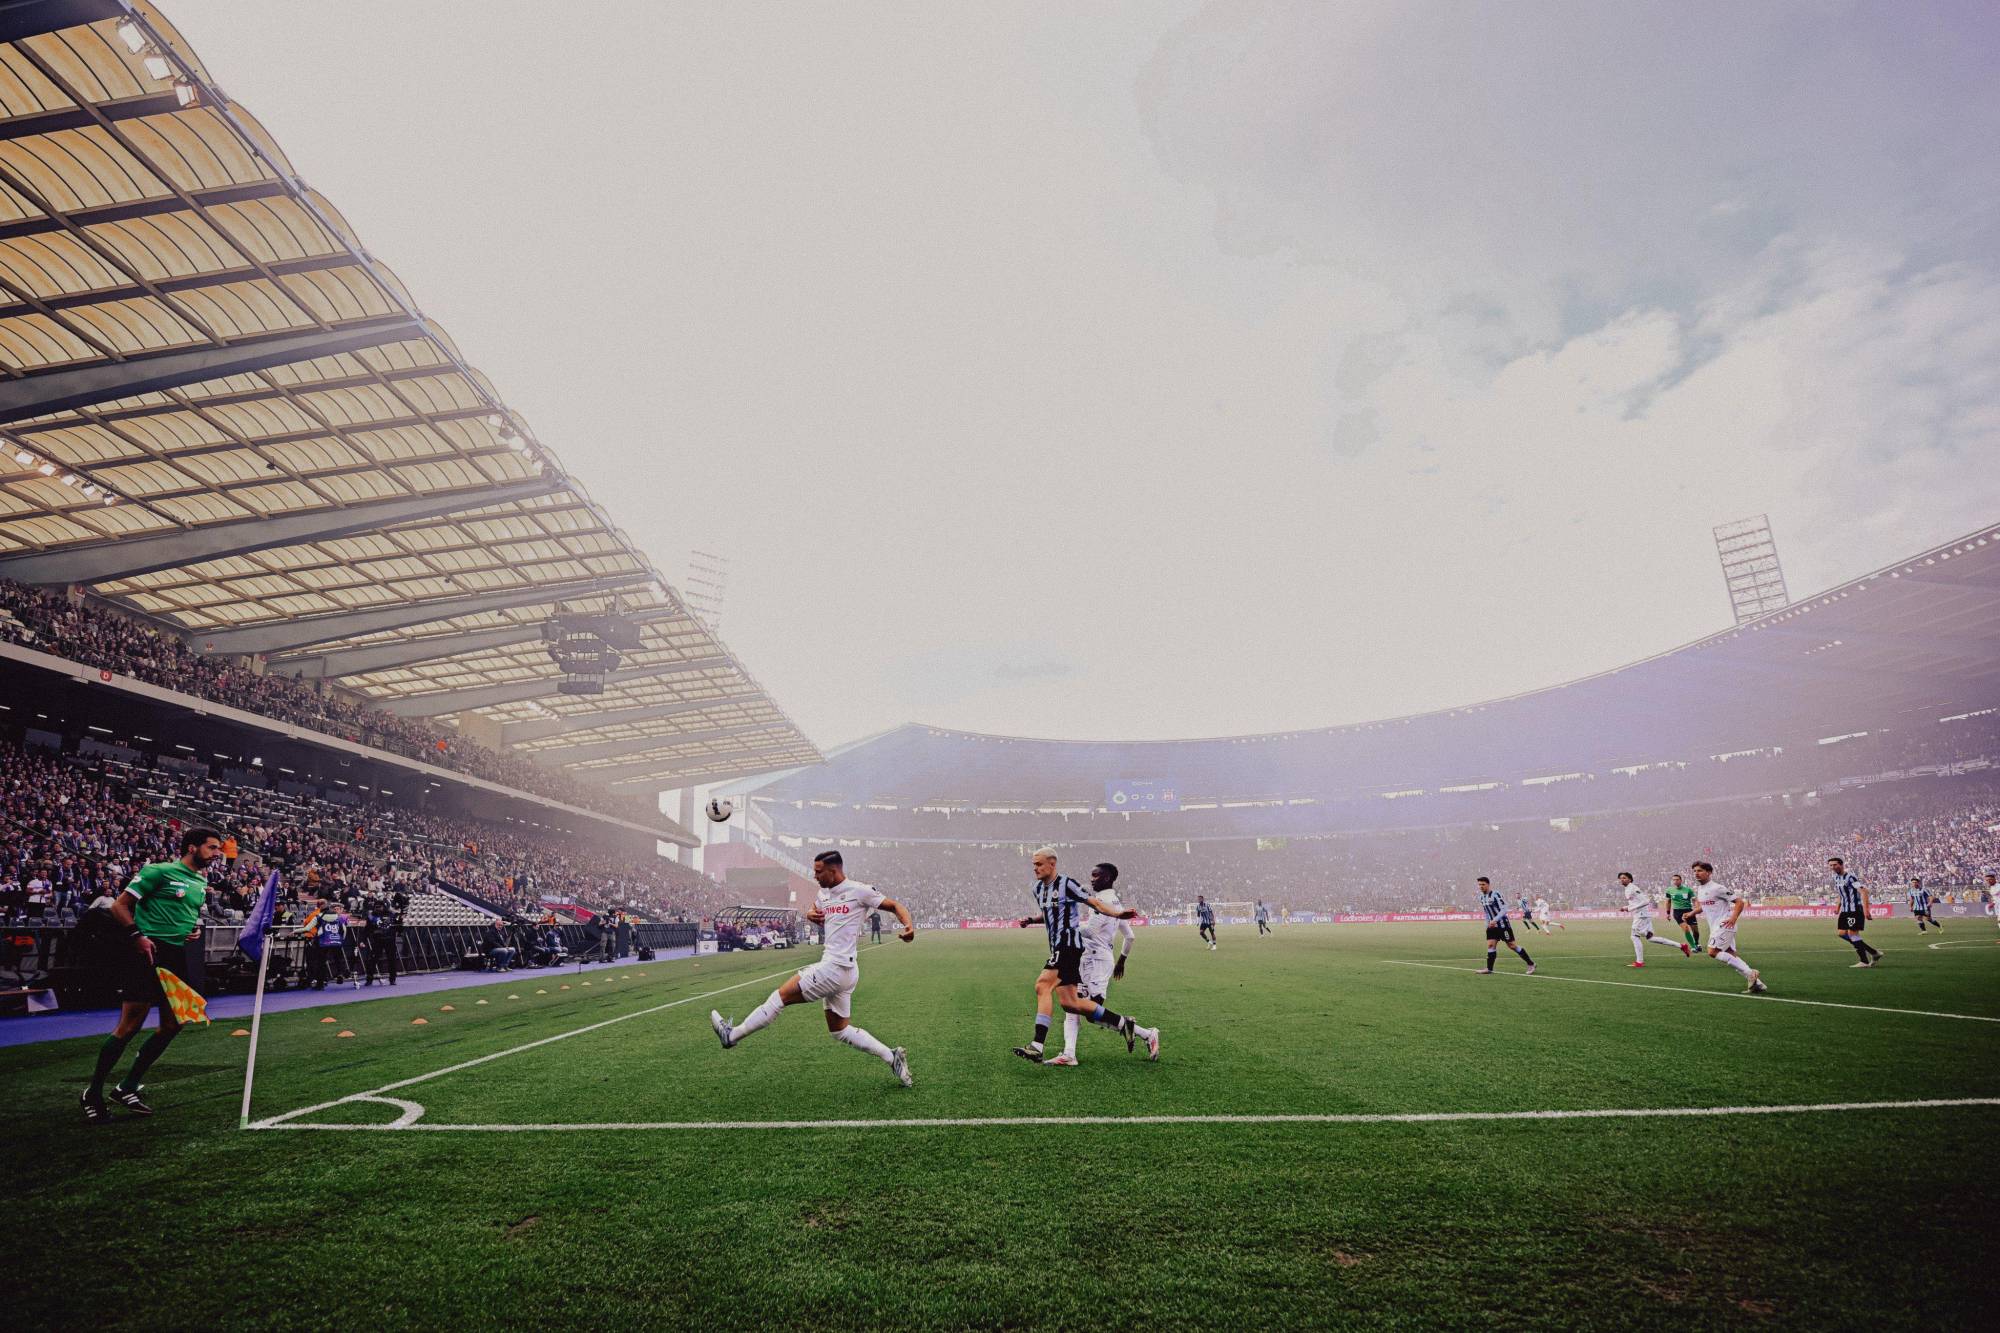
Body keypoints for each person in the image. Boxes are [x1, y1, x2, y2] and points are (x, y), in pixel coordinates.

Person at [710, 851, 914, 1087]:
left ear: (833, 870)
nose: (815, 875)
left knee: (779, 997)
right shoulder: (824, 893)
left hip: (835, 968)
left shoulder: (859, 891)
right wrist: (809, 913)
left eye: (819, 871)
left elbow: (895, 905)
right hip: (843, 971)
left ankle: (731, 1036)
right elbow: (814, 908)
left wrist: (908, 926)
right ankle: (892, 1057)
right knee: (839, 1031)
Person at [80, 828, 220, 1123]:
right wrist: (137, 936)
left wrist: (189, 930)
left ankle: (127, 1086)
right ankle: (93, 1092)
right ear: (192, 848)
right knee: (130, 1026)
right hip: (146, 953)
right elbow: (120, 906)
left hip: (175, 955)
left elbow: (180, 913)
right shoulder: (159, 871)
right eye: (212, 847)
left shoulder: (200, 881)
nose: (217, 853)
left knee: (174, 1023)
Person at [1014, 848, 1158, 1062]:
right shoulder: (1037, 889)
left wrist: (1118, 914)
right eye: (1033, 864)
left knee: (1042, 985)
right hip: (1064, 949)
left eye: (1039, 864)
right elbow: (1050, 914)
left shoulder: (1067, 884)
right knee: (1072, 1004)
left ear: (1052, 864)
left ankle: (1037, 1045)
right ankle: (1129, 1027)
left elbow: (1095, 904)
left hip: (1070, 947)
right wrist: (1032, 920)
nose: (1035, 868)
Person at [1048, 864, 1144, 1067]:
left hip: (1097, 961)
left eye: (1096, 875)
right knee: (1073, 1005)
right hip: (1089, 958)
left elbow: (1090, 931)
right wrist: (1121, 961)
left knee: (1091, 1012)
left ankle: (1144, 1032)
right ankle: (1069, 1054)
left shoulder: (1104, 901)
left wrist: (1066, 926)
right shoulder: (1115, 902)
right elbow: (1130, 936)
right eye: (1091, 875)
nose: (1091, 879)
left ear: (1108, 878)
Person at [1687, 861, 1765, 994]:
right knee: (1730, 955)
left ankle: (1751, 973)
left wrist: (1733, 918)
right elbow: (1704, 906)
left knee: (1712, 951)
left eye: (1699, 870)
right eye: (1694, 871)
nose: (1696, 873)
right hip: (1716, 927)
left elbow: (1739, 902)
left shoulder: (1717, 888)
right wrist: (1692, 913)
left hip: (1724, 924)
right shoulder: (1700, 890)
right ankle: (1757, 984)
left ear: (1709, 872)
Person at [1620, 872, 1692, 967]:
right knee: (1650, 938)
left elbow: (1645, 901)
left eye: (1624, 878)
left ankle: (1639, 962)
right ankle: (1682, 946)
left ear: (1630, 879)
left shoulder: (1633, 888)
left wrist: (1629, 908)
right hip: (1642, 915)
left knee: (1634, 936)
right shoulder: (1628, 889)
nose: (1622, 879)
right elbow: (1636, 902)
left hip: (1642, 916)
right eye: (1620, 878)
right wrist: (1627, 907)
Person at [1827, 856, 1883, 968]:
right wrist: (1838, 907)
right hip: (1845, 910)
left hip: (1854, 910)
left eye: (1835, 865)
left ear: (1841, 865)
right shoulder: (1836, 878)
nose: (1833, 867)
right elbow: (1841, 893)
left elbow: (1864, 891)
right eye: (1831, 865)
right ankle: (1873, 952)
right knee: (1842, 934)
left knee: (1853, 934)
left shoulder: (1850, 877)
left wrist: (1866, 910)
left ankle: (1864, 961)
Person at [1476, 877, 1535, 974]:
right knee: (1491, 945)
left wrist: (1495, 920)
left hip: (1503, 925)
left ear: (1488, 884)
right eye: (1479, 884)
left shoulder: (1495, 894)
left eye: (1483, 884)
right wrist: (1487, 924)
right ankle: (1489, 969)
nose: (1481, 886)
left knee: (1512, 945)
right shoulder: (1481, 897)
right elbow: (1486, 912)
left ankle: (1531, 964)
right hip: (1491, 926)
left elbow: (1504, 909)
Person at [1666, 873, 1700, 951]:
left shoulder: (1688, 890)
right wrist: (1668, 913)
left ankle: (1697, 943)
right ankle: (1693, 947)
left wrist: (1696, 908)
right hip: (1677, 912)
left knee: (1695, 930)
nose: (1675, 881)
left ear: (1681, 880)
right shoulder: (1669, 890)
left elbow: (1694, 900)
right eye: (1673, 880)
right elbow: (1668, 902)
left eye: (1677, 879)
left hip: (1688, 911)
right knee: (1686, 928)